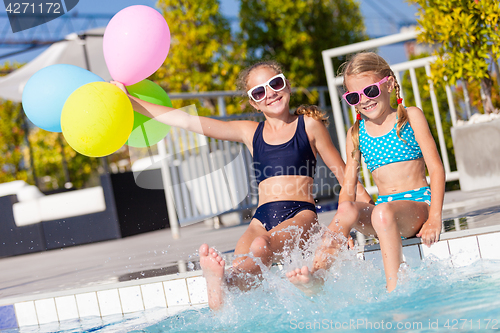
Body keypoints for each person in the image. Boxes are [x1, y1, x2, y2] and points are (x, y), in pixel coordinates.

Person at [112, 61, 372, 310]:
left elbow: (343, 172)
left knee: (261, 246)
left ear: (288, 86)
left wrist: (364, 215)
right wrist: (132, 102)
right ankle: (220, 284)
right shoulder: (250, 132)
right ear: (253, 103)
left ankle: (228, 281)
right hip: (260, 219)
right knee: (242, 263)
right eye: (259, 92)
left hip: (301, 214)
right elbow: (189, 122)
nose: (270, 94)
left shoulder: (308, 125)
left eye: (275, 84)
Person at [287, 52, 445, 293]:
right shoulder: (356, 133)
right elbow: (348, 187)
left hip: (417, 206)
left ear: (389, 83)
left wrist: (434, 218)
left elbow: (436, 168)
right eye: (354, 96)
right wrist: (343, 226)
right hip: (383, 212)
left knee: (381, 212)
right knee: (347, 208)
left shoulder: (410, 117)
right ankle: (318, 275)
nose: (364, 100)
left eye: (370, 91)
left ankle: (394, 288)